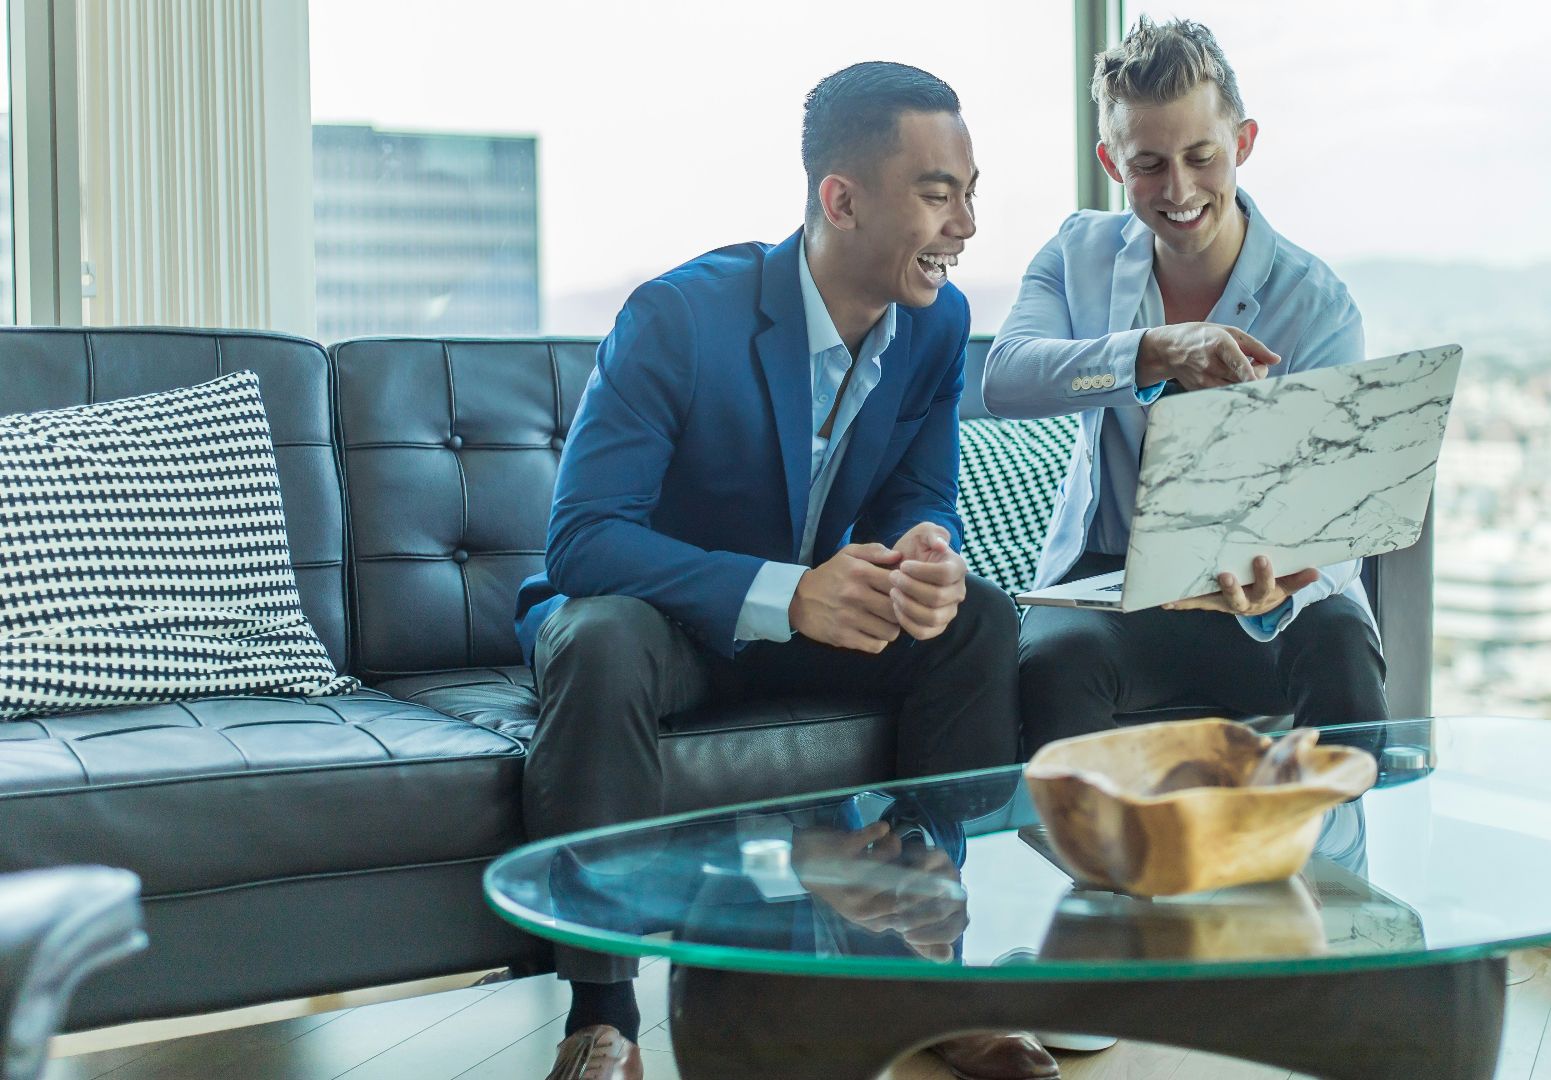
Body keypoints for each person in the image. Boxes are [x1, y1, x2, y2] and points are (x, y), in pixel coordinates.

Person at [514, 62, 1051, 1080]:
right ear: (841, 200)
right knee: (599, 635)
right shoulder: (676, 317)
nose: (967, 224)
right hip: (662, 629)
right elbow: (582, 540)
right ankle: (604, 1015)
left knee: (973, 618)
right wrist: (786, 592)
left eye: (972, 189)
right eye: (939, 192)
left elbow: (917, 496)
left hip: (811, 624)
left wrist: (929, 550)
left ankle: (919, 953)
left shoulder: (937, 323)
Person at [982, 18, 1389, 757]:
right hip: (1111, 587)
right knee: (1052, 661)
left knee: (1340, 641)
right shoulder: (1077, 255)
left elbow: (1337, 516)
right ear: (1111, 161)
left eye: (1202, 156)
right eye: (1148, 164)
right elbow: (1006, 378)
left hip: (1263, 592)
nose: (1179, 190)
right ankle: (1093, 874)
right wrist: (1153, 352)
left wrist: (1285, 583)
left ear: (1244, 142)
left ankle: (1342, 868)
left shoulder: (1317, 304)